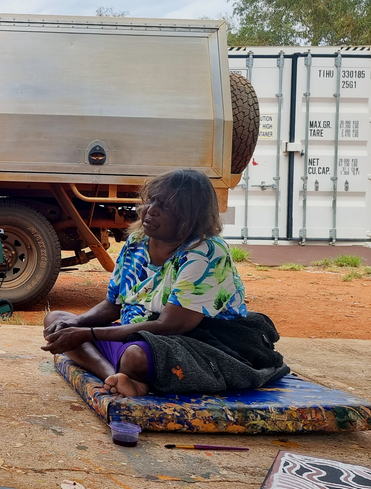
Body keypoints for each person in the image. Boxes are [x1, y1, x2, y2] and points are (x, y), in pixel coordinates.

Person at [41, 168, 288, 397]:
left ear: (190, 218)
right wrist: (76, 324)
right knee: (57, 322)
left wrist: (87, 334)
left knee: (136, 356)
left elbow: (170, 326)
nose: (151, 210)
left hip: (198, 341)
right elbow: (113, 305)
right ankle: (113, 376)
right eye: (152, 200)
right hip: (139, 333)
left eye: (167, 207)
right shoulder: (138, 240)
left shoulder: (206, 252)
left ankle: (127, 371)